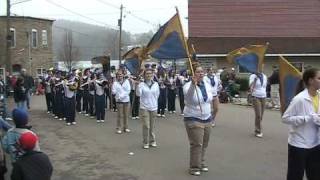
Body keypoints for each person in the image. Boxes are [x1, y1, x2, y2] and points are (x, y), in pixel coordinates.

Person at [282, 68, 320, 180]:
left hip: (315, 144)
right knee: (295, 176)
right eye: (319, 78)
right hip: (299, 145)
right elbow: (285, 118)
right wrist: (305, 118)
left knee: (315, 175)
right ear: (310, 81)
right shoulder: (299, 99)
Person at [183, 65, 214, 176]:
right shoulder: (187, 86)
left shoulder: (207, 84)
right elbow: (189, 98)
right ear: (193, 73)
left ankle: (201, 162)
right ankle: (194, 167)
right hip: (193, 118)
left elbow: (212, 97)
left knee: (204, 143)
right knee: (197, 143)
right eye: (198, 72)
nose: (201, 74)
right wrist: (193, 84)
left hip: (207, 117)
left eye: (202, 72)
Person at [137, 68, 160, 149]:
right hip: (144, 107)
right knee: (146, 126)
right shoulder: (141, 84)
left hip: (153, 107)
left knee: (152, 126)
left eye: (150, 73)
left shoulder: (156, 84)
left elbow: (157, 95)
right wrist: (137, 86)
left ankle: (152, 141)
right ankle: (145, 142)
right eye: (147, 74)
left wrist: (153, 103)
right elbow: (138, 94)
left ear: (153, 74)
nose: (149, 75)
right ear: (144, 75)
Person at [249, 71, 267, 138]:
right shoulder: (253, 76)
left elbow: (264, 87)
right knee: (258, 115)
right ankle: (258, 131)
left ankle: (257, 128)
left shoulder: (264, 76)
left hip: (264, 97)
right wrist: (255, 80)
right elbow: (250, 86)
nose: (261, 69)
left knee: (261, 115)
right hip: (256, 96)